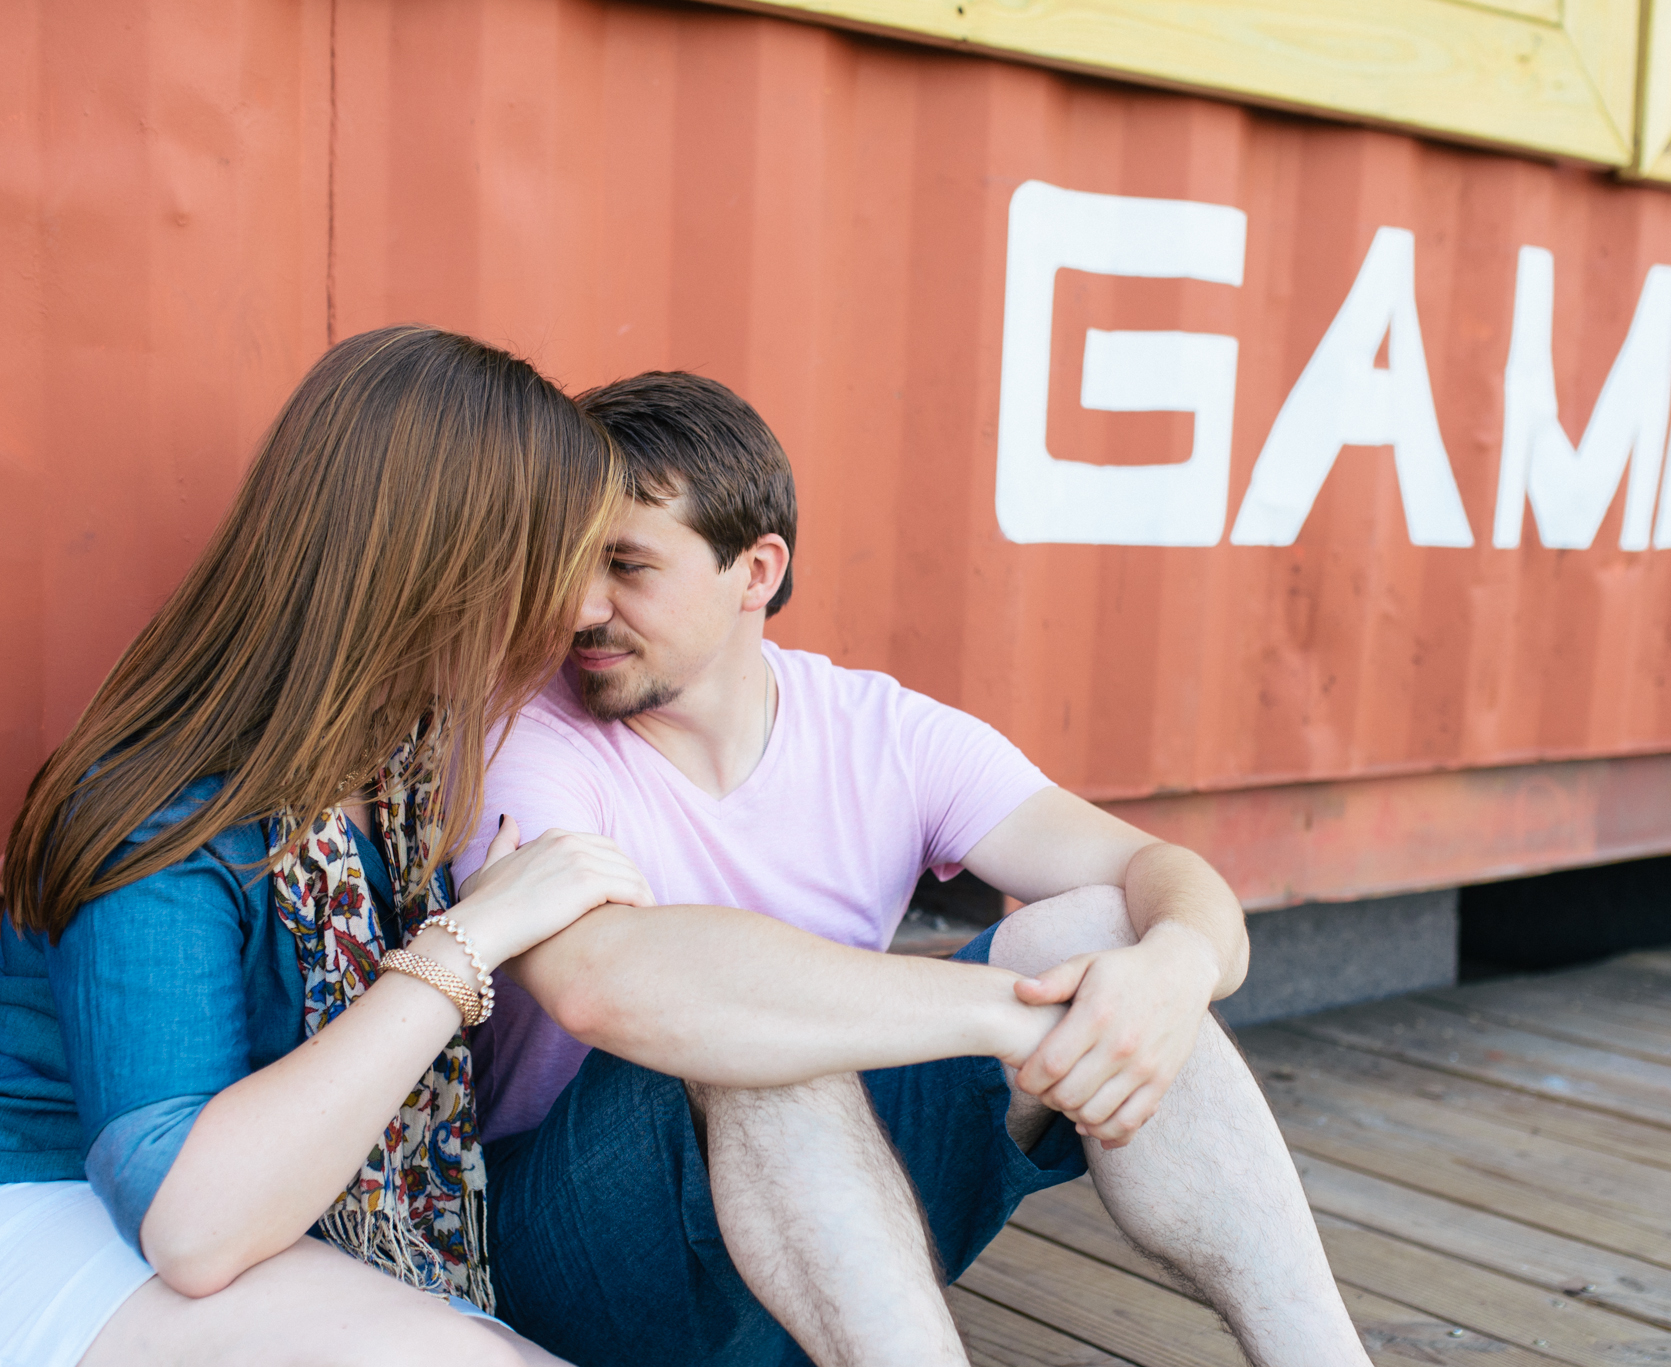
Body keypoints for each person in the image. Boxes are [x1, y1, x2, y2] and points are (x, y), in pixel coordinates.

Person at [458, 371, 1374, 1366]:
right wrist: (991, 1014)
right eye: (570, 561)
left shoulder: (878, 730)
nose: (580, 605)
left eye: (627, 565)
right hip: (581, 1250)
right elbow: (596, 982)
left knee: (1102, 932)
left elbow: (1160, 869)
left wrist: (1178, 967)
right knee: (753, 1038)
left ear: (755, 570)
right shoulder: (524, 731)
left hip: (821, 1220)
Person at [0, 326, 657, 1366]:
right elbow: (189, 1223)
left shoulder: (399, 765)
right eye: (563, 563)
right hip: (60, 1204)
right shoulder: (165, 802)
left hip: (270, 1207)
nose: (585, 609)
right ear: (448, 563)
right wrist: (466, 939)